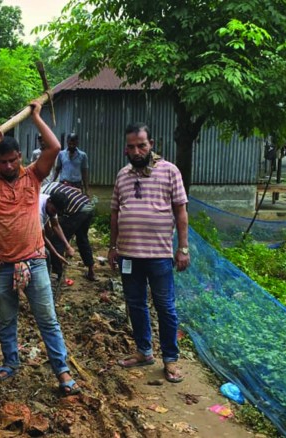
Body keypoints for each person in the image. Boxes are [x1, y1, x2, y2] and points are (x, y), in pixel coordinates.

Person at [0, 101, 81, 396]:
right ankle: (10, 362)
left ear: (19, 157)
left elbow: (54, 146)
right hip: (3, 264)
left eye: (12, 160)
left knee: (47, 319)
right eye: (2, 161)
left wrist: (35, 116)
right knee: (7, 319)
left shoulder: (33, 176)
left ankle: (62, 370)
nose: (7, 166)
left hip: (34, 261)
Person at [107, 122, 190, 384]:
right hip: (129, 256)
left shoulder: (170, 171)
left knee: (165, 307)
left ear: (151, 144)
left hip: (159, 256)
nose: (137, 150)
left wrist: (183, 248)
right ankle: (144, 352)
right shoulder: (123, 175)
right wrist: (112, 247)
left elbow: (180, 211)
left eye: (141, 145)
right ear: (126, 149)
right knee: (136, 304)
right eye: (131, 146)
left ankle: (171, 359)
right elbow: (114, 212)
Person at [42, 182, 97, 281]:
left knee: (57, 241)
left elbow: (53, 224)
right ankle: (91, 271)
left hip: (78, 209)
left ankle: (56, 273)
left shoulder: (44, 195)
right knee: (82, 238)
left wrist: (65, 245)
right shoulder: (53, 185)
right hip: (87, 205)